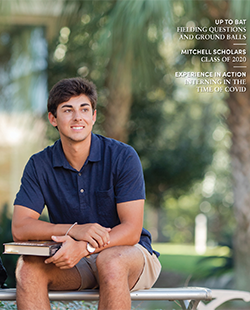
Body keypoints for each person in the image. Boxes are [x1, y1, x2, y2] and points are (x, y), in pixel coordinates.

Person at [12, 77, 161, 310]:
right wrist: (73, 231)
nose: (77, 117)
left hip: (128, 254)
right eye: (67, 110)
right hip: (74, 259)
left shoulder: (123, 157)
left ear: (93, 116)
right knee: (28, 267)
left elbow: (131, 230)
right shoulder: (39, 164)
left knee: (110, 262)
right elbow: (20, 228)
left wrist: (84, 246)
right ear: (53, 119)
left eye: (84, 109)